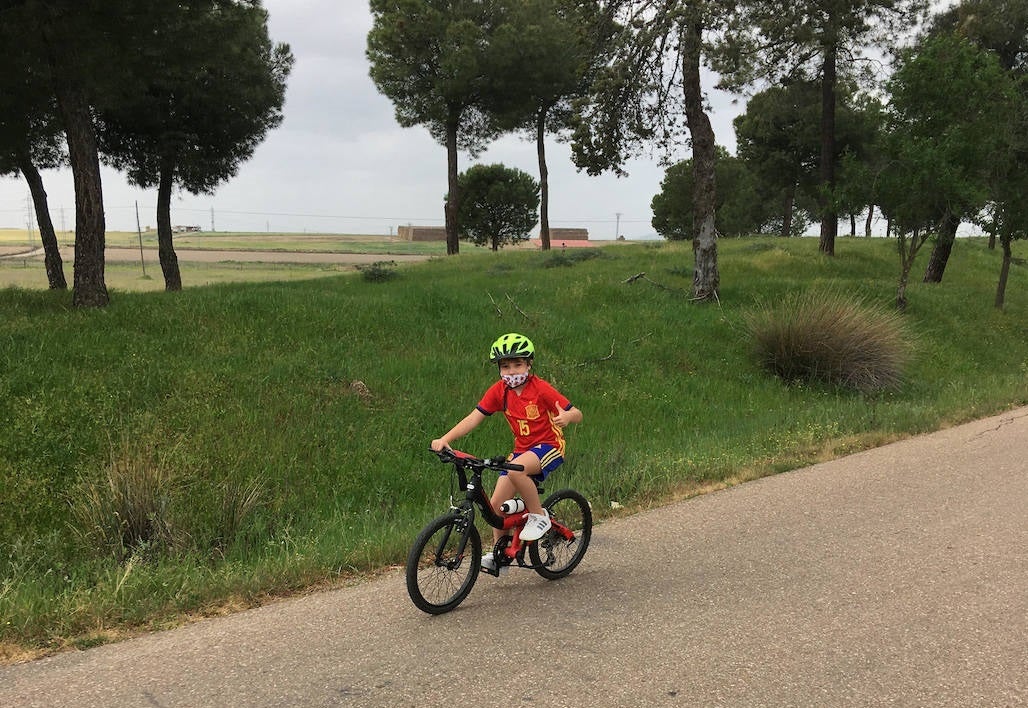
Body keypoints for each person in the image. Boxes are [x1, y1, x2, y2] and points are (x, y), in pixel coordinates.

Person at [430, 332, 583, 572]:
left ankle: (539, 518)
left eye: (518, 364)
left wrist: (566, 417)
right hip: (521, 450)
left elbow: (577, 413)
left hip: (549, 446)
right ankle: (500, 553)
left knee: (517, 471)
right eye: (505, 366)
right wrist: (445, 439)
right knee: (495, 506)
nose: (512, 371)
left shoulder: (541, 389)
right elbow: (473, 418)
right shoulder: (499, 391)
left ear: (529, 364)